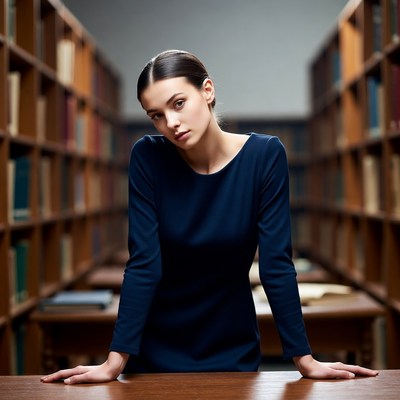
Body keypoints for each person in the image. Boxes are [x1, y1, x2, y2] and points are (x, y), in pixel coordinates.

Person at [41, 50, 378, 384]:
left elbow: (276, 264)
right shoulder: (148, 156)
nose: (170, 123)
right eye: (156, 115)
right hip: (154, 348)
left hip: (232, 345)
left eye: (178, 104)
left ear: (207, 90)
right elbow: (144, 262)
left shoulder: (264, 156)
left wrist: (304, 359)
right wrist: (114, 362)